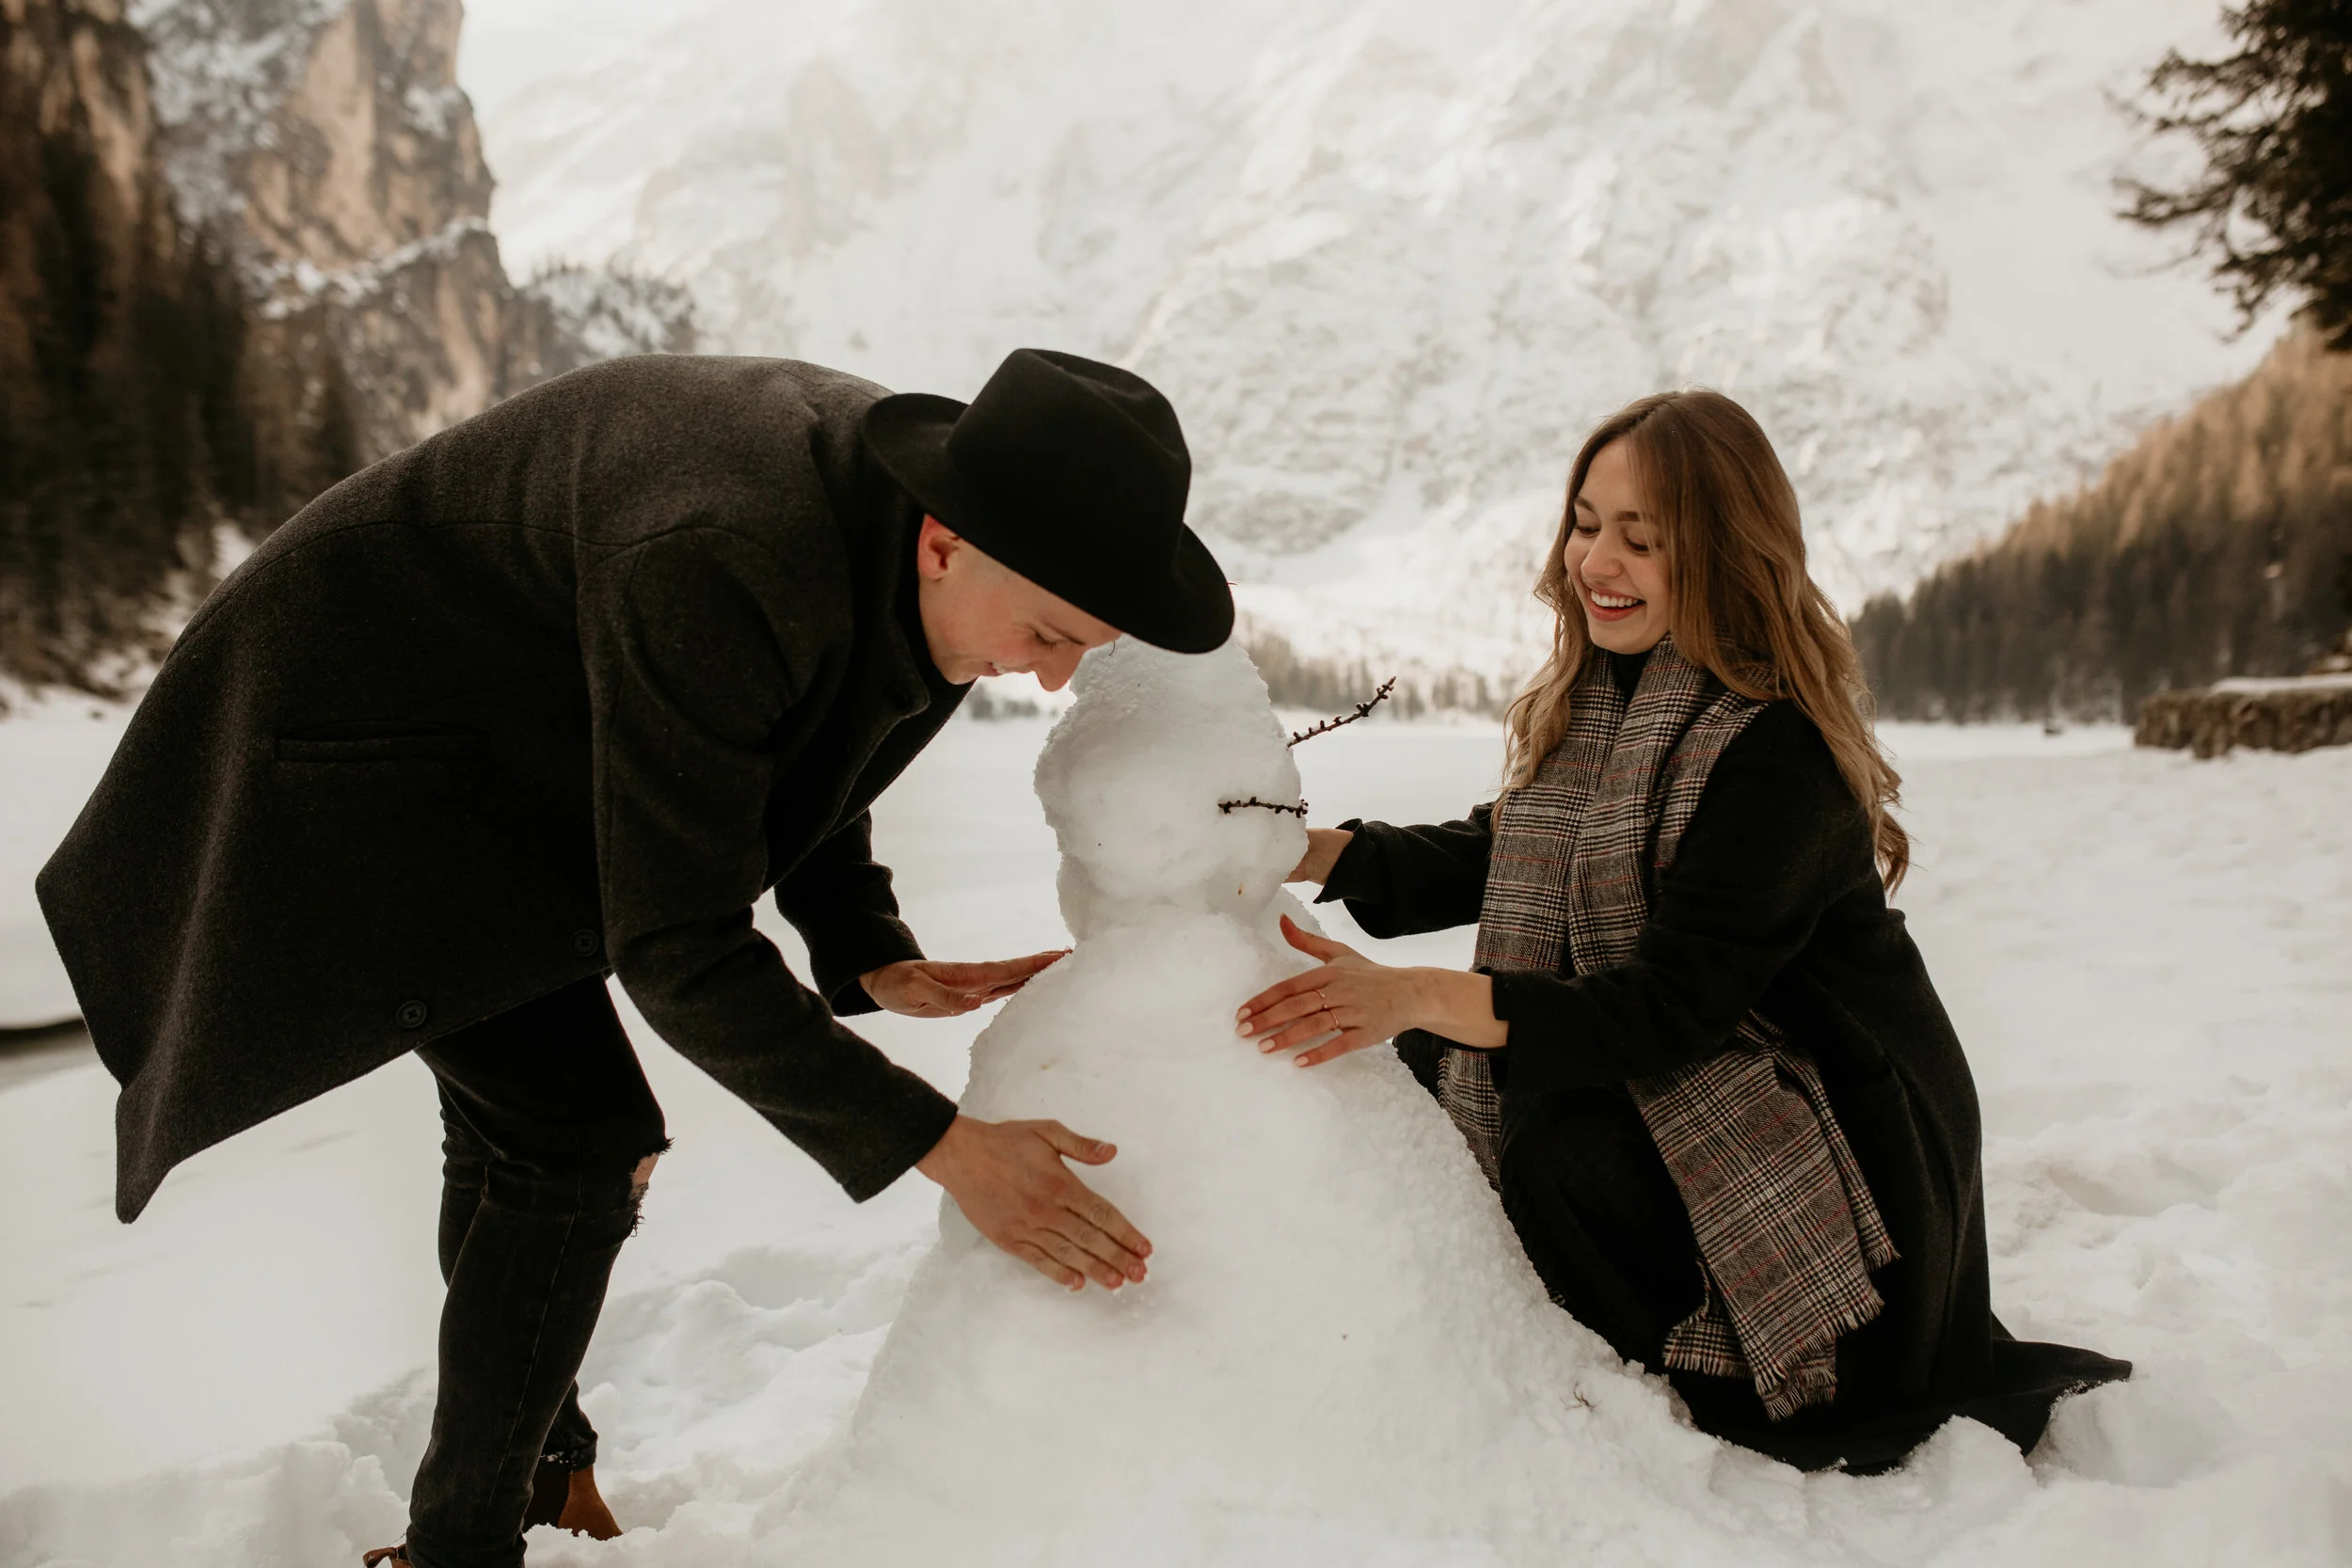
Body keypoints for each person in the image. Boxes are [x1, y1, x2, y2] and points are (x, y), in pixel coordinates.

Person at [37, 347, 1232, 1567]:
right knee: (578, 1137)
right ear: (943, 542)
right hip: (358, 735)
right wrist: (943, 1145)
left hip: (511, 735)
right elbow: (679, 940)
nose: (1051, 674)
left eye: (1082, 644)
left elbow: (809, 724)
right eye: (1046, 633)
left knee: (535, 1136)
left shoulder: (929, 548)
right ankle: (465, 1544)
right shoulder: (727, 545)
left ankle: (535, 1484)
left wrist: (863, 945)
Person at [1234, 389, 2127, 1473]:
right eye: (1584, 521)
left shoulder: (1775, 749)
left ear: (1718, 550)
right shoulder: (1608, 700)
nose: (1594, 559)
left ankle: (1715, 1367)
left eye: (1640, 538)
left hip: (1840, 1143)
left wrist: (1411, 989)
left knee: (1550, 1129)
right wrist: (1294, 848)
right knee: (1438, 1064)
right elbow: (1503, 849)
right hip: (1719, 1070)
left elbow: (1666, 1008)